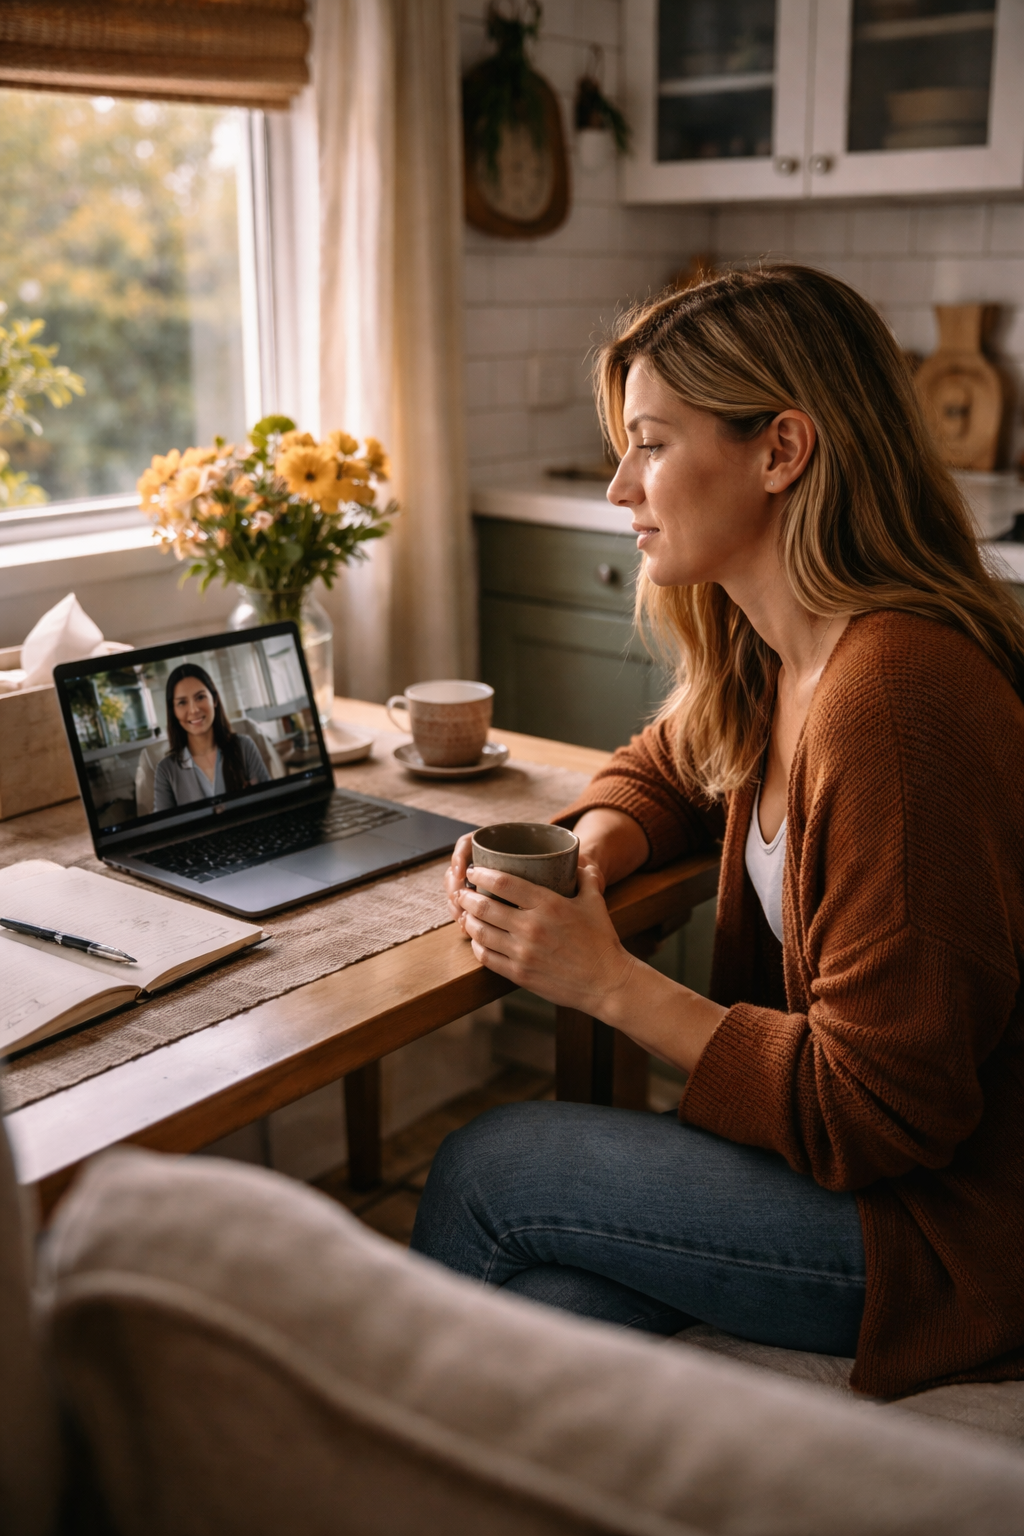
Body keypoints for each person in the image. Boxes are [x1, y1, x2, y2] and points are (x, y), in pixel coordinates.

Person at [411, 265, 1024, 1402]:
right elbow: (671, 764)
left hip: (945, 1230)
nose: (615, 486)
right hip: (855, 1181)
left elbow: (886, 1113)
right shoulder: (782, 647)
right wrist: (596, 844)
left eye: (649, 443)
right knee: (549, 1310)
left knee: (489, 1168)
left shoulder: (894, 697)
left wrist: (608, 984)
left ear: (780, 451)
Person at [153, 663, 269, 812]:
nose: (194, 710)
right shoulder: (166, 770)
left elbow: (269, 804)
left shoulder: (244, 747)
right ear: (173, 711)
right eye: (182, 702)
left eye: (200, 697)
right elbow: (165, 831)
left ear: (214, 700)